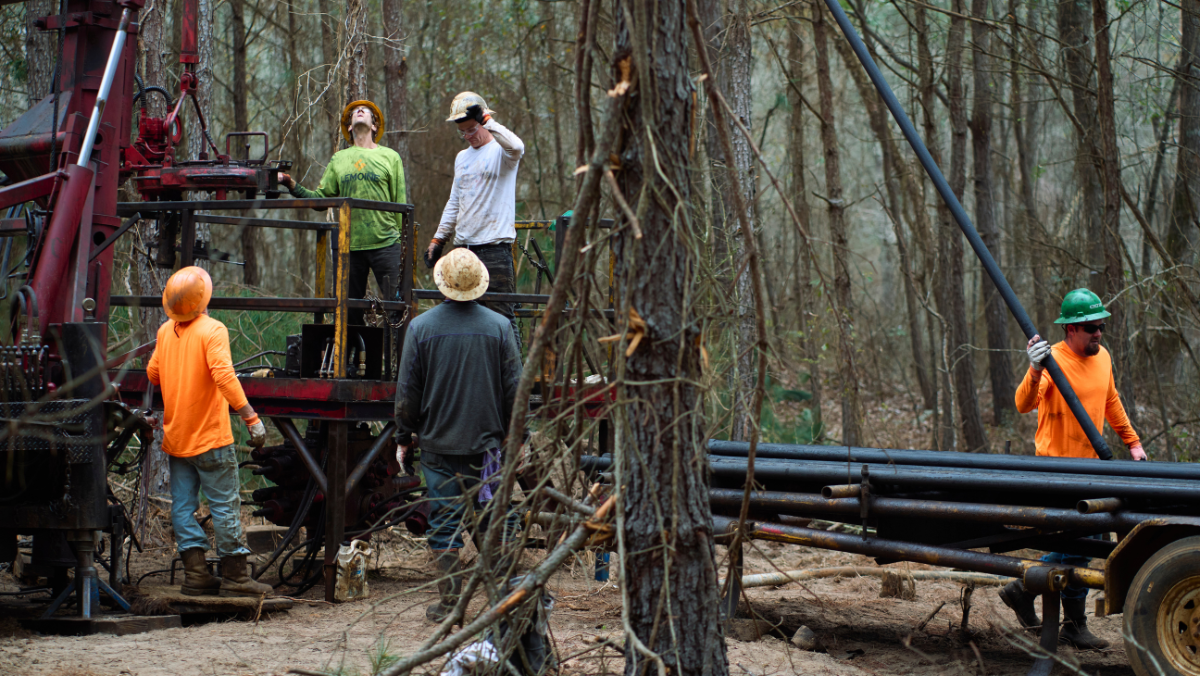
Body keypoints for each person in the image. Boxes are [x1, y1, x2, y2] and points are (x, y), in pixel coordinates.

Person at [999, 287, 1144, 649]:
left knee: (1084, 542)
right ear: (1070, 330)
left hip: (1092, 467)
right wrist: (1034, 368)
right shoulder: (1053, 361)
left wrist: (1133, 442)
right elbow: (1022, 403)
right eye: (1091, 327)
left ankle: (1035, 598)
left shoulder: (1103, 357)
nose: (1098, 332)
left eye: (1101, 327)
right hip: (1057, 470)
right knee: (1077, 543)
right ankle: (1053, 610)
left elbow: (1111, 401)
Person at [394, 248, 522, 623]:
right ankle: (504, 603)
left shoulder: (421, 328)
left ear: (443, 285)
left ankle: (451, 605)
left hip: (438, 447)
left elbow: (408, 391)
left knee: (444, 525)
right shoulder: (499, 327)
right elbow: (516, 388)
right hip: (488, 450)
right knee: (494, 522)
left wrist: (404, 435)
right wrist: (519, 436)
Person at [147, 266, 273, 598]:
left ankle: (196, 575)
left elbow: (152, 373)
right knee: (224, 506)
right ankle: (235, 577)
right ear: (204, 298)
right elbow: (224, 376)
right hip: (211, 439)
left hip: (178, 440)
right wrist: (250, 417)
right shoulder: (213, 329)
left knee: (182, 507)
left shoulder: (165, 331)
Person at [281, 100, 407, 326]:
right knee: (349, 313)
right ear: (349, 127)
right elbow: (321, 200)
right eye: (355, 112)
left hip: (387, 243)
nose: (360, 111)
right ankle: (349, 361)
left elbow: (400, 203)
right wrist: (292, 186)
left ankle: (400, 361)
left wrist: (401, 244)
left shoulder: (391, 157)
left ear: (375, 126)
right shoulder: (339, 159)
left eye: (366, 111)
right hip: (350, 246)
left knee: (397, 309)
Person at [425, 91, 525, 345]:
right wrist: (439, 238)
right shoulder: (462, 158)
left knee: (502, 317)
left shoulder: (502, 153)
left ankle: (513, 381)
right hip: (464, 250)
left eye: (472, 129)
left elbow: (517, 146)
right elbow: (455, 201)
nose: (468, 137)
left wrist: (487, 120)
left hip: (495, 249)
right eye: (463, 132)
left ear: (483, 120)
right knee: (461, 316)